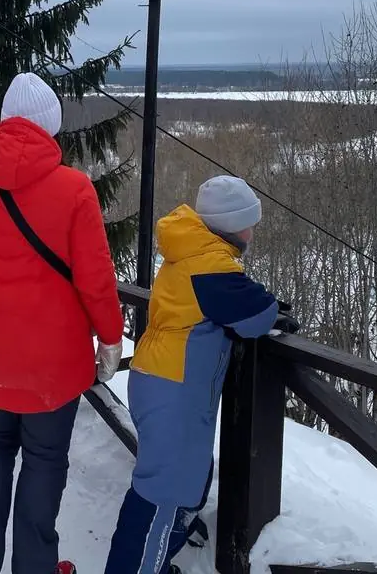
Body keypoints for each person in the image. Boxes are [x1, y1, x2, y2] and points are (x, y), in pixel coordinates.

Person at [0, 72, 125, 574]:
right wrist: (110, 338)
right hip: (51, 363)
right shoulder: (73, 189)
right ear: (51, 125)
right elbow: (96, 278)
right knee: (45, 459)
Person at [102, 175, 300, 574]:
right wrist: (273, 310)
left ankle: (156, 563)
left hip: (163, 380)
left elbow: (232, 301)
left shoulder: (192, 252)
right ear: (231, 226)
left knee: (183, 484)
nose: (252, 233)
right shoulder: (211, 267)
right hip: (175, 390)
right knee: (163, 496)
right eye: (249, 225)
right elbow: (256, 314)